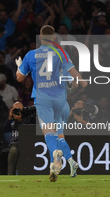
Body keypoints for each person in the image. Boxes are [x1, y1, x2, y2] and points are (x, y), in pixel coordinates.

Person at [16, 25, 87, 182]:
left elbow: (19, 78)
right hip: (61, 102)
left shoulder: (31, 55)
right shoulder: (60, 54)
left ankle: (56, 159)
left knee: (49, 133)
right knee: (59, 136)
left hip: (43, 99)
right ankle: (70, 162)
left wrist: (19, 67)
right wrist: (81, 84)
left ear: (40, 38)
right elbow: (76, 79)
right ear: (54, 38)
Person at [3, 101, 36, 175]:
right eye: (15, 109)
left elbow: (31, 130)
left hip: (27, 143)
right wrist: (9, 118)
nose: (17, 112)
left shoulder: (29, 118)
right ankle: (10, 175)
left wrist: (21, 120)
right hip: (15, 143)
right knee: (14, 151)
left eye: (19, 109)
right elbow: (4, 129)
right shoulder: (11, 119)